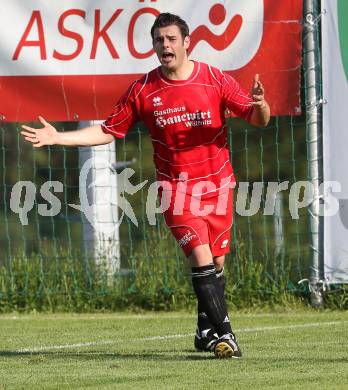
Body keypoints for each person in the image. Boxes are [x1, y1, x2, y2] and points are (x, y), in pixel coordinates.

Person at [21, 13, 270, 358]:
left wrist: (261, 105)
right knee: (200, 258)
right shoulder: (144, 89)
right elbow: (108, 130)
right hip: (176, 190)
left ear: (186, 43)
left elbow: (257, 119)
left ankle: (204, 328)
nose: (164, 46)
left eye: (171, 39)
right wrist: (57, 137)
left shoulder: (214, 79)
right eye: (158, 40)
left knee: (217, 261)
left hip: (217, 186)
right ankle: (225, 336)